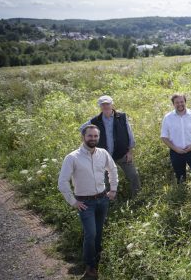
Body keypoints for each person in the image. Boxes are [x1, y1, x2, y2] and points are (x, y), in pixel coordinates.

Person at [58, 124, 118, 279]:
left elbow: (112, 169)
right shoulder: (72, 157)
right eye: (90, 136)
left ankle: (97, 260)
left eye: (96, 136)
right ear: (83, 137)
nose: (93, 139)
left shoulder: (103, 153)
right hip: (85, 203)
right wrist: (73, 202)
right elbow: (62, 182)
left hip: (102, 199)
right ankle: (90, 266)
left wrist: (113, 189)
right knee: (90, 233)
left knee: (98, 232)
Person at [80, 95, 141, 197]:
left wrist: (130, 151)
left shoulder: (122, 117)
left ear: (112, 104)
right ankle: (109, 201)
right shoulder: (95, 120)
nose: (105, 106)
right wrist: (89, 146)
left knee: (133, 175)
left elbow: (130, 135)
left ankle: (137, 196)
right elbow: (82, 129)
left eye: (107, 104)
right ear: (100, 106)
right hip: (103, 156)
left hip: (122, 154)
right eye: (103, 105)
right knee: (105, 181)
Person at [161, 93, 191, 184]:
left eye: (181, 102)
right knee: (180, 178)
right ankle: (182, 195)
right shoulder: (168, 118)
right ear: (173, 104)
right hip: (175, 152)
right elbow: (164, 137)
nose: (180, 104)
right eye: (177, 102)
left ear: (185, 102)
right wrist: (176, 149)